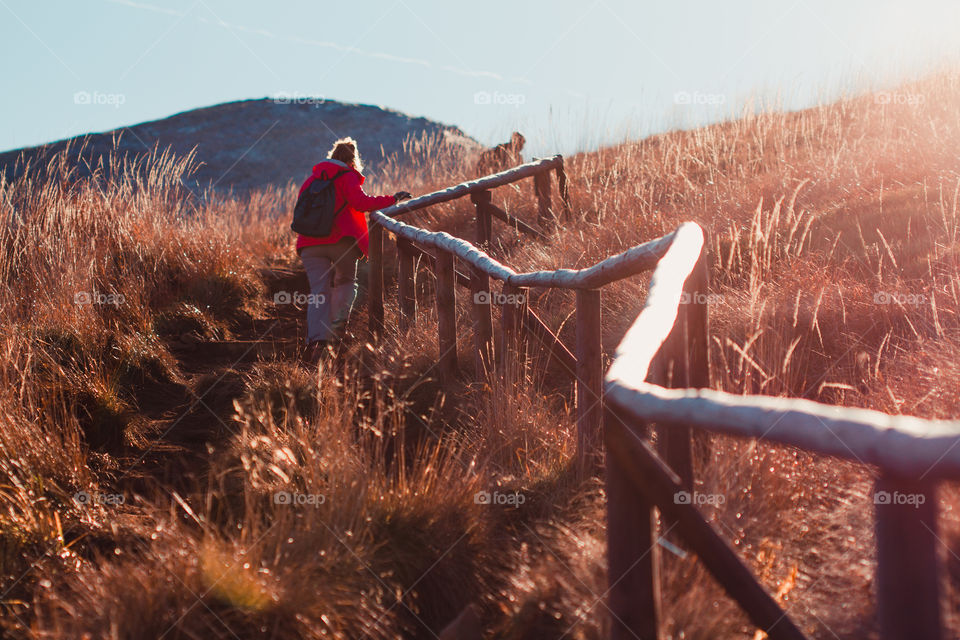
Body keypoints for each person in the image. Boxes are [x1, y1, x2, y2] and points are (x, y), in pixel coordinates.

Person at [295, 137, 412, 363]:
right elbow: (361, 202)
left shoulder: (311, 180)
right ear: (353, 160)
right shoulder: (348, 176)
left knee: (319, 291)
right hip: (342, 243)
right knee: (346, 283)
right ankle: (336, 333)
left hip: (310, 244)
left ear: (332, 156)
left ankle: (317, 342)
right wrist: (392, 199)